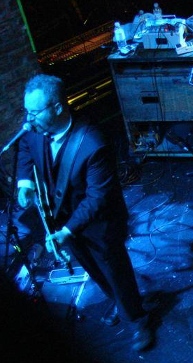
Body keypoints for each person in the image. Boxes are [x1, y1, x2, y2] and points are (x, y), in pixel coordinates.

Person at [16, 73, 154, 351]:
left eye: (34, 112)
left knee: (114, 269)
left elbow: (97, 197)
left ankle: (138, 320)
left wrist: (66, 231)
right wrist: (25, 182)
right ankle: (118, 301)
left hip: (99, 222)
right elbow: (24, 147)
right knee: (91, 268)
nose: (28, 119)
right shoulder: (35, 128)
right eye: (26, 111)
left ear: (57, 107)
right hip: (65, 219)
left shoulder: (92, 142)